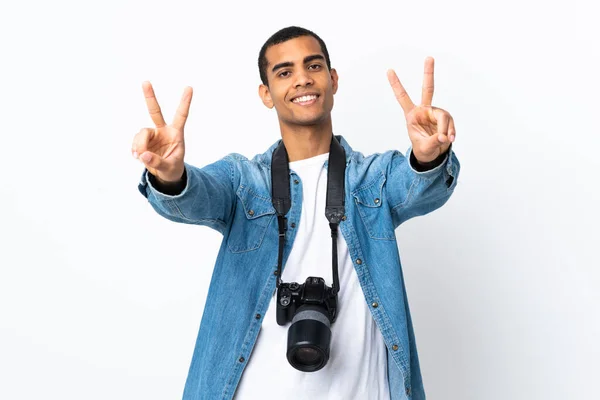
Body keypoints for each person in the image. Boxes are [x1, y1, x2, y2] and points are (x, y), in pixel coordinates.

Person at [132, 26, 460, 400]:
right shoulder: (245, 181)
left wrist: (429, 155)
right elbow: (196, 197)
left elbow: (421, 187)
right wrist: (170, 175)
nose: (302, 79)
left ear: (333, 80)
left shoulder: (374, 179)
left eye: (314, 66)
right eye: (284, 72)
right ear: (266, 94)